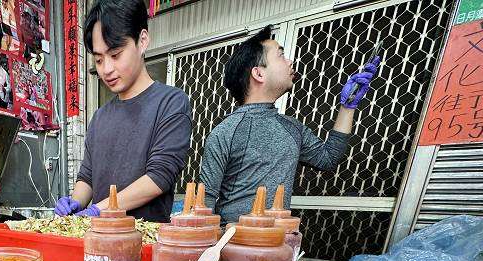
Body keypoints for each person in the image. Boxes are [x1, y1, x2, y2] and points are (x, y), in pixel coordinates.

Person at [199, 25, 380, 225]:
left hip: (278, 243)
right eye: (281, 55)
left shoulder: (293, 128)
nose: (290, 61)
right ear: (258, 74)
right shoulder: (225, 132)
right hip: (233, 244)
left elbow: (328, 158)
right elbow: (204, 200)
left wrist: (348, 106)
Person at [55, 0, 191, 222]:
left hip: (143, 243)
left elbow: (159, 177)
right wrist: (75, 203)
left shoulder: (171, 103)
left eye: (115, 54)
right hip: (99, 241)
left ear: (142, 41)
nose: (107, 69)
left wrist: (99, 210)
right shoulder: (100, 117)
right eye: (99, 59)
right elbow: (87, 177)